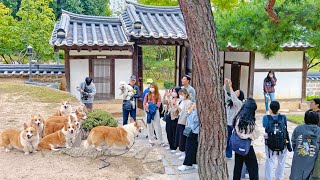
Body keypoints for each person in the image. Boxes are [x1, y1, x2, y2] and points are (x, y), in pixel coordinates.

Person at [233, 98, 260, 180]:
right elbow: (256, 135)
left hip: (238, 145)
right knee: (253, 169)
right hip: (248, 147)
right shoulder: (250, 122)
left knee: (237, 167)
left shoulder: (238, 117)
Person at [263, 101, 291, 180]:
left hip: (270, 143)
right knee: (281, 162)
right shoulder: (283, 117)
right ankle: (278, 178)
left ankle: (268, 178)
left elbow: (265, 126)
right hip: (282, 143)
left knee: (270, 161)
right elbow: (285, 127)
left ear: (270, 108)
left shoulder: (266, 118)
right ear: (279, 108)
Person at [290, 111, 320, 180]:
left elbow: (293, 143)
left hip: (299, 158)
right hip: (314, 160)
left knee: (296, 174)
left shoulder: (298, 129)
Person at [224, 78, 244, 159]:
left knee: (231, 139)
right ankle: (227, 153)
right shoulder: (230, 101)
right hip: (227, 122)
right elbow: (225, 94)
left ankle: (229, 153)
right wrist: (225, 85)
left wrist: (230, 86)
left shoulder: (239, 103)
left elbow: (234, 98)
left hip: (233, 123)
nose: (235, 92)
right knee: (227, 138)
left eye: (237, 92)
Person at [178, 103, 199, 171]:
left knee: (190, 148)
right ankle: (193, 162)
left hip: (194, 131)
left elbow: (195, 120)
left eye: (194, 104)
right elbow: (188, 119)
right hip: (190, 131)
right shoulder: (192, 111)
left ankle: (187, 164)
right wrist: (189, 112)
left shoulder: (197, 112)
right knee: (190, 147)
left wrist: (194, 111)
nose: (193, 105)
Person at [175, 88, 192, 160]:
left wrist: (177, 107)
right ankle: (181, 150)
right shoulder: (182, 101)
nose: (180, 96)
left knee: (183, 136)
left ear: (185, 94)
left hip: (184, 121)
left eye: (182, 94)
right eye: (180, 94)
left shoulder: (189, 102)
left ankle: (184, 151)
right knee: (179, 135)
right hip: (180, 119)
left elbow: (186, 111)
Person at [164, 87, 181, 152]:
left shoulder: (179, 100)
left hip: (175, 117)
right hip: (169, 115)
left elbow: (175, 110)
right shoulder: (171, 99)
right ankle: (170, 144)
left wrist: (171, 104)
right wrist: (166, 97)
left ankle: (174, 146)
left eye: (174, 91)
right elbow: (165, 103)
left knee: (174, 131)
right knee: (168, 130)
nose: (173, 93)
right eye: (172, 91)